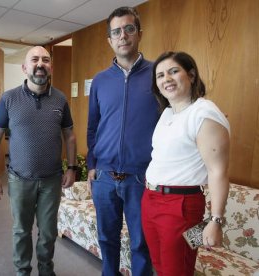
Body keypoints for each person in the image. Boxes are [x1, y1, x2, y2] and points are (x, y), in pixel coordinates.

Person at [0, 46, 77, 276]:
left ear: (51, 67)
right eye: (34, 59)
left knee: (48, 233)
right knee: (21, 232)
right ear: (25, 67)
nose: (40, 64)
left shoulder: (60, 99)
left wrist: (72, 168)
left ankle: (46, 271)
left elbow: (70, 135)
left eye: (45, 60)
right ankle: (22, 272)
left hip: (52, 180)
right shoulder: (9, 99)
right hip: (19, 180)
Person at [142, 51, 230, 276]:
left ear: (191, 75)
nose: (166, 79)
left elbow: (217, 170)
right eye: (160, 75)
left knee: (177, 269)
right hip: (151, 200)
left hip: (181, 206)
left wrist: (215, 220)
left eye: (173, 71)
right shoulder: (167, 114)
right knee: (160, 265)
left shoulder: (204, 112)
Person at [87, 6, 158, 276]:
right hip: (104, 176)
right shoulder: (100, 81)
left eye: (129, 29)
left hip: (141, 177)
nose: (123, 36)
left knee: (141, 242)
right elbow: (93, 126)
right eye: (116, 31)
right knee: (107, 238)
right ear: (109, 40)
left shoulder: (156, 75)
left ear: (139, 34)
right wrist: (92, 164)